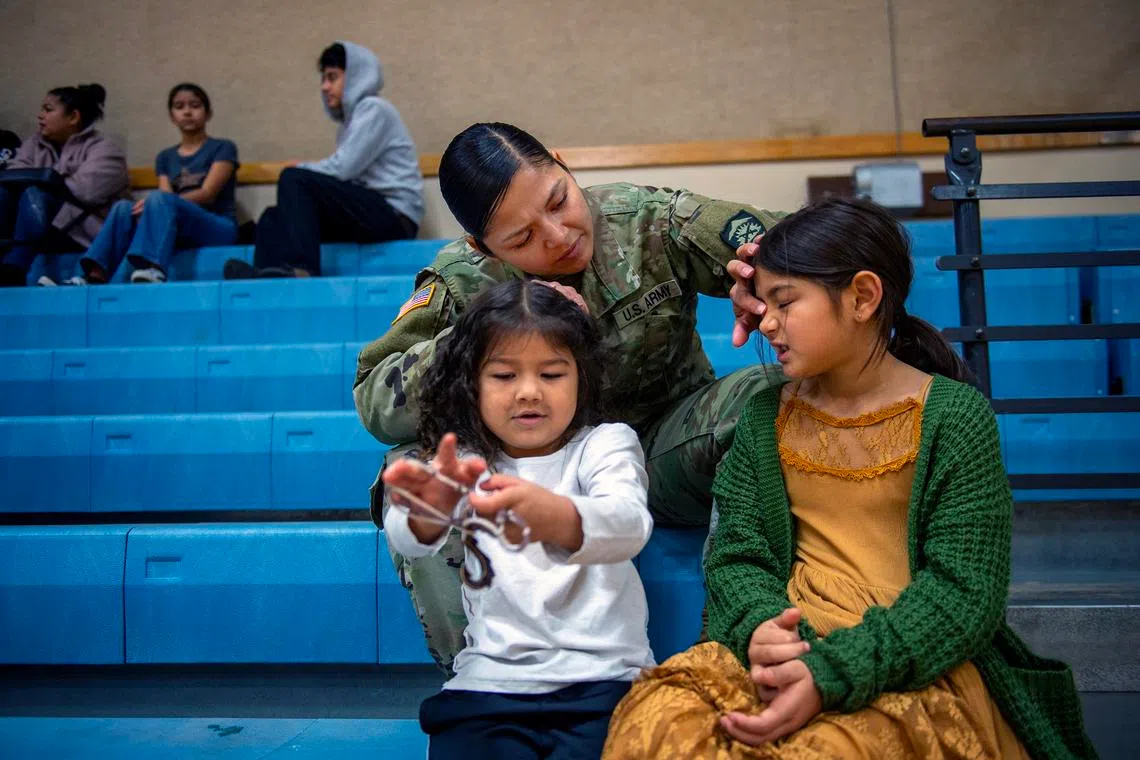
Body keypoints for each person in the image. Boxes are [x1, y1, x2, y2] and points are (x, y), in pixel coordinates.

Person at [601, 198, 1096, 760]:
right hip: (791, 644)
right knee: (656, 722)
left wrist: (828, 674)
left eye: (784, 302)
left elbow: (962, 596)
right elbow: (738, 557)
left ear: (862, 297)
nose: (767, 322)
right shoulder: (766, 415)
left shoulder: (955, 418)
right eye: (763, 304)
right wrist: (760, 632)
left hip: (902, 656)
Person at [353, 122, 787, 674]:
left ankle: (732, 648)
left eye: (558, 201)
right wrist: (481, 330)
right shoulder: (458, 281)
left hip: (665, 452)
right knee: (418, 472)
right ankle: (479, 679)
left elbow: (793, 246)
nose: (557, 236)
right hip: (529, 476)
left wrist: (768, 282)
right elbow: (375, 398)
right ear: (481, 247)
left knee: (767, 395)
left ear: (564, 165)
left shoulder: (647, 222)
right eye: (522, 239)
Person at [383, 279, 655, 759]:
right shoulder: (467, 461)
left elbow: (628, 523)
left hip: (606, 680)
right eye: (504, 376)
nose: (529, 392)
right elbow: (409, 541)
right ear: (472, 383)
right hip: (490, 684)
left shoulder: (605, 443)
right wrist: (427, 512)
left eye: (552, 374)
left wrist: (555, 516)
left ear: (582, 378)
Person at [224, 41, 422, 280]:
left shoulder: (374, 109)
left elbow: (342, 169)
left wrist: (299, 168)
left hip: (395, 215)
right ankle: (267, 274)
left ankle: (301, 268)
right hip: (372, 210)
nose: (325, 87)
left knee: (294, 179)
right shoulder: (349, 123)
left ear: (357, 75)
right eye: (323, 79)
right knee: (272, 217)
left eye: (332, 77)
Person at [45, 83, 239, 286]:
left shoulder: (223, 148)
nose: (187, 112)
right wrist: (152, 206)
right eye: (179, 107)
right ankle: (94, 274)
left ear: (208, 113)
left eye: (195, 105)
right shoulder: (165, 157)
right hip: (180, 227)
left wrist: (158, 203)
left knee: (158, 200)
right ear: (172, 116)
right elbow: (163, 201)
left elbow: (207, 193)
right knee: (122, 209)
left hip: (218, 226)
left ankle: (153, 268)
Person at [0, 84, 129, 286]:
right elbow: (12, 175)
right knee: (5, 192)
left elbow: (85, 191)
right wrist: (46, 180)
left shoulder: (105, 149)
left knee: (35, 195)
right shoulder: (35, 143)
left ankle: (15, 267)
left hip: (82, 230)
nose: (40, 116)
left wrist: (45, 180)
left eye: (48, 110)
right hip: (42, 229)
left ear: (73, 117)